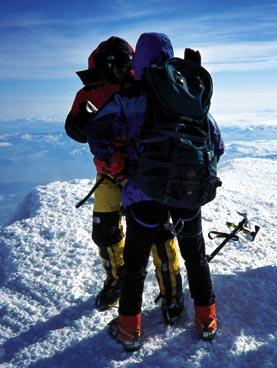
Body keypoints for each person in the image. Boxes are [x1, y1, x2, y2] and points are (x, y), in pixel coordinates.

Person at [88, 32, 224, 351]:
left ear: (140, 60)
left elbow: (99, 135)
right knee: (196, 257)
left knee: (135, 264)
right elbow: (216, 143)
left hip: (143, 191)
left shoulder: (132, 96)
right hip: (188, 192)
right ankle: (207, 321)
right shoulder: (191, 94)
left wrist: (120, 169)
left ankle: (129, 330)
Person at [65, 36, 183, 314]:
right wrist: (84, 124)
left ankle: (172, 292)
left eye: (125, 63)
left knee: (158, 234)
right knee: (105, 231)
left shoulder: (145, 82)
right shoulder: (90, 92)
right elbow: (73, 129)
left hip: (146, 174)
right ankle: (116, 280)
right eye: (114, 64)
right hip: (109, 174)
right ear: (103, 65)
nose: (121, 69)